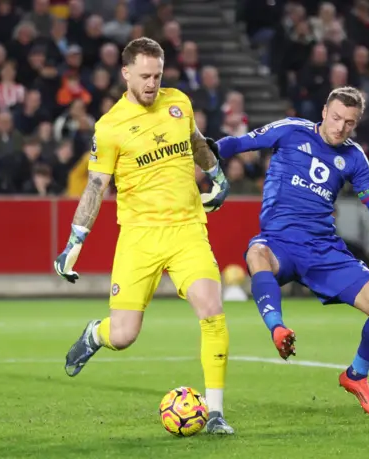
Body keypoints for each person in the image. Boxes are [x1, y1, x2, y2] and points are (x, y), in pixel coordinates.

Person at [53, 38, 233, 434]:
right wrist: (74, 242)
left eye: (158, 75)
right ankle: (94, 334)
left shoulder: (178, 103)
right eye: (145, 76)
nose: (152, 83)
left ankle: (216, 414)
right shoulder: (110, 126)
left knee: (212, 310)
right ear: (126, 74)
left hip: (188, 229)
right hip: (139, 236)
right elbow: (96, 186)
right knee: (124, 335)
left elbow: (196, 143)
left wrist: (217, 176)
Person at [213, 87, 369, 419]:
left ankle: (356, 376)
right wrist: (213, 149)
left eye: (349, 123)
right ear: (324, 111)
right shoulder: (291, 130)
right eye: (336, 118)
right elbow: (241, 143)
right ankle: (278, 328)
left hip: (323, 250)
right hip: (279, 243)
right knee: (256, 255)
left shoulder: (353, 157)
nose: (339, 128)